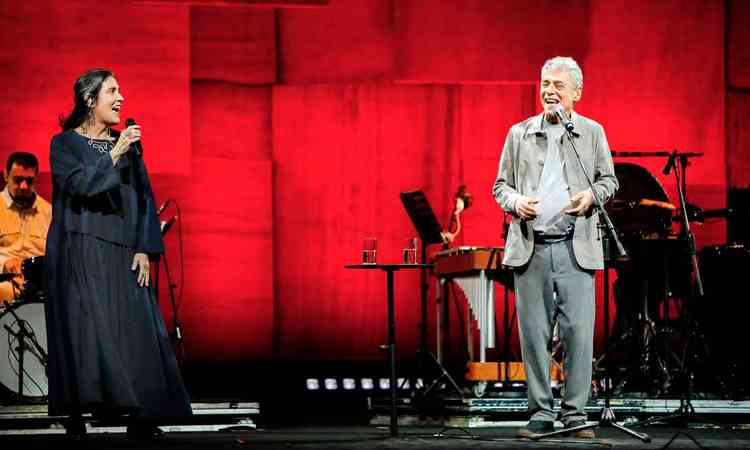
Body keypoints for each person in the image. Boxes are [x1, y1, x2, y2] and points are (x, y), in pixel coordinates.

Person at [44, 68, 192, 439]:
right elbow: (78, 186)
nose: (121, 97)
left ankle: (142, 415)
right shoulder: (64, 145)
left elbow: (144, 198)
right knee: (85, 330)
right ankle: (77, 414)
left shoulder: (128, 146)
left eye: (121, 90)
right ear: (90, 100)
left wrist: (145, 247)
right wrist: (116, 151)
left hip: (123, 250)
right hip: (80, 247)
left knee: (138, 330)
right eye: (112, 91)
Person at [492, 56, 618, 439]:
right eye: (545, 83)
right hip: (532, 248)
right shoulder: (519, 134)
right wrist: (516, 203)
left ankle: (576, 413)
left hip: (575, 246)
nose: (549, 91)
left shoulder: (593, 133)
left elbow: (610, 180)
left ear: (576, 93)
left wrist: (591, 197)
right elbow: (500, 187)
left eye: (557, 85)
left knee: (579, 333)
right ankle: (541, 412)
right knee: (534, 333)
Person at [0, 152, 51, 304]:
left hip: (43, 285)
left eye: (29, 181)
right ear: (5, 175)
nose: (23, 186)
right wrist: (5, 263)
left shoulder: (49, 212)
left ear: (36, 178)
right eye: (17, 180)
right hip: (5, 282)